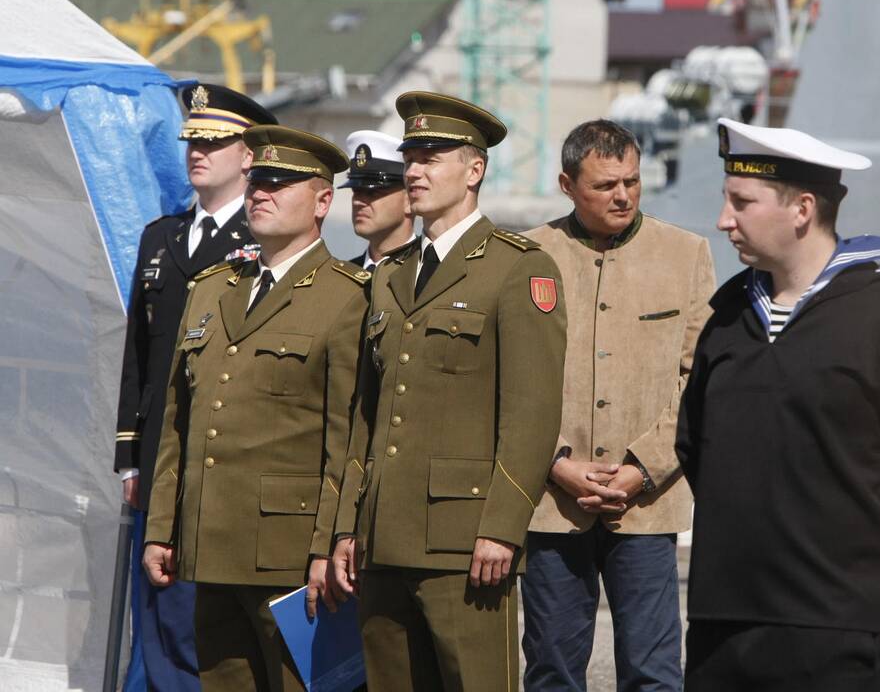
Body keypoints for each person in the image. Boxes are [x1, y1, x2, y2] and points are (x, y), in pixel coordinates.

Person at [676, 118, 880, 691]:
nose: (723, 220)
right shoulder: (729, 321)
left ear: (801, 209)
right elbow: (694, 444)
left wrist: (877, 537)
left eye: (742, 202)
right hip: (724, 624)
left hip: (833, 626)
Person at [329, 91, 567, 692]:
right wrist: (347, 524)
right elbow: (368, 414)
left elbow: (531, 412)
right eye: (411, 156)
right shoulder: (389, 274)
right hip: (382, 537)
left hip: (464, 540)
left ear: (474, 169)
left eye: (432, 156)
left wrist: (503, 525)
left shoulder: (518, 268)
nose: (413, 170)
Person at [142, 124, 367, 692]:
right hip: (209, 545)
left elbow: (348, 442)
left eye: (281, 182)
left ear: (322, 201)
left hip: (291, 558)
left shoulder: (348, 297)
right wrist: (162, 529)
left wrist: (329, 546)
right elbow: (178, 422)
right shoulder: (214, 288)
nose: (260, 192)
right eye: (257, 180)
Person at [520, 120, 715, 692]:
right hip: (552, 502)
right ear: (566, 184)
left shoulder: (685, 254)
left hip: (647, 503)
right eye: (605, 185)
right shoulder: (527, 255)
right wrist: (556, 461)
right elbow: (511, 379)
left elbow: (699, 379)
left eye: (632, 181)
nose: (623, 195)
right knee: (552, 669)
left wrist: (642, 467)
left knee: (653, 673)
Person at [113, 82, 276, 691]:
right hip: (156, 450)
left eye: (215, 141)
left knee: (193, 625)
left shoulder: (261, 242)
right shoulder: (161, 237)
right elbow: (139, 354)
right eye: (193, 141)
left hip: (217, 457)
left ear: (249, 155)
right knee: (147, 614)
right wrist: (128, 456)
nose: (198, 152)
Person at [338, 129, 416, 271]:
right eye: (356, 192)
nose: (358, 202)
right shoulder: (342, 278)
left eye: (372, 193)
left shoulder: (425, 271)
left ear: (409, 200)